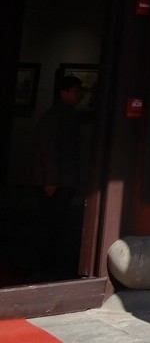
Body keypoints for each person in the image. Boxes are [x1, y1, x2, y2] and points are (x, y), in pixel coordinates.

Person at [32, 71, 84, 281]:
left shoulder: (67, 115)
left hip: (63, 179)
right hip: (56, 181)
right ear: (63, 93)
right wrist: (51, 179)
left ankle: (49, 264)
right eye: (76, 91)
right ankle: (41, 266)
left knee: (57, 223)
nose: (80, 96)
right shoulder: (56, 116)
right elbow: (50, 149)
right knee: (49, 224)